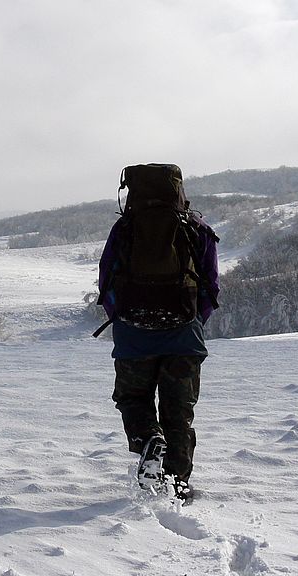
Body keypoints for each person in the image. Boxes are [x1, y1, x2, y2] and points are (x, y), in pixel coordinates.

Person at [96, 163, 220, 503]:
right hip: (184, 338)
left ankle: (149, 438)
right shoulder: (196, 229)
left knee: (133, 398)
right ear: (178, 190)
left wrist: (123, 321)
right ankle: (177, 489)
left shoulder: (124, 229)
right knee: (178, 413)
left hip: (133, 338)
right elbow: (210, 288)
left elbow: (106, 282)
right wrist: (191, 322)